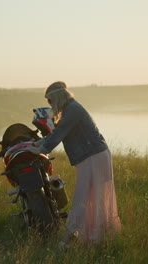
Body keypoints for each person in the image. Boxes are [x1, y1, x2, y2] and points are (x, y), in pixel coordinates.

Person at [25, 81, 121, 245]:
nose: (49, 104)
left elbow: (60, 133)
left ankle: (67, 240)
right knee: (89, 196)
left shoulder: (73, 110)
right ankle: (93, 236)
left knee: (83, 197)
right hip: (91, 156)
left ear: (57, 97)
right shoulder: (69, 109)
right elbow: (57, 132)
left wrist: (42, 149)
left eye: (49, 100)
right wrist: (38, 143)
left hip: (94, 156)